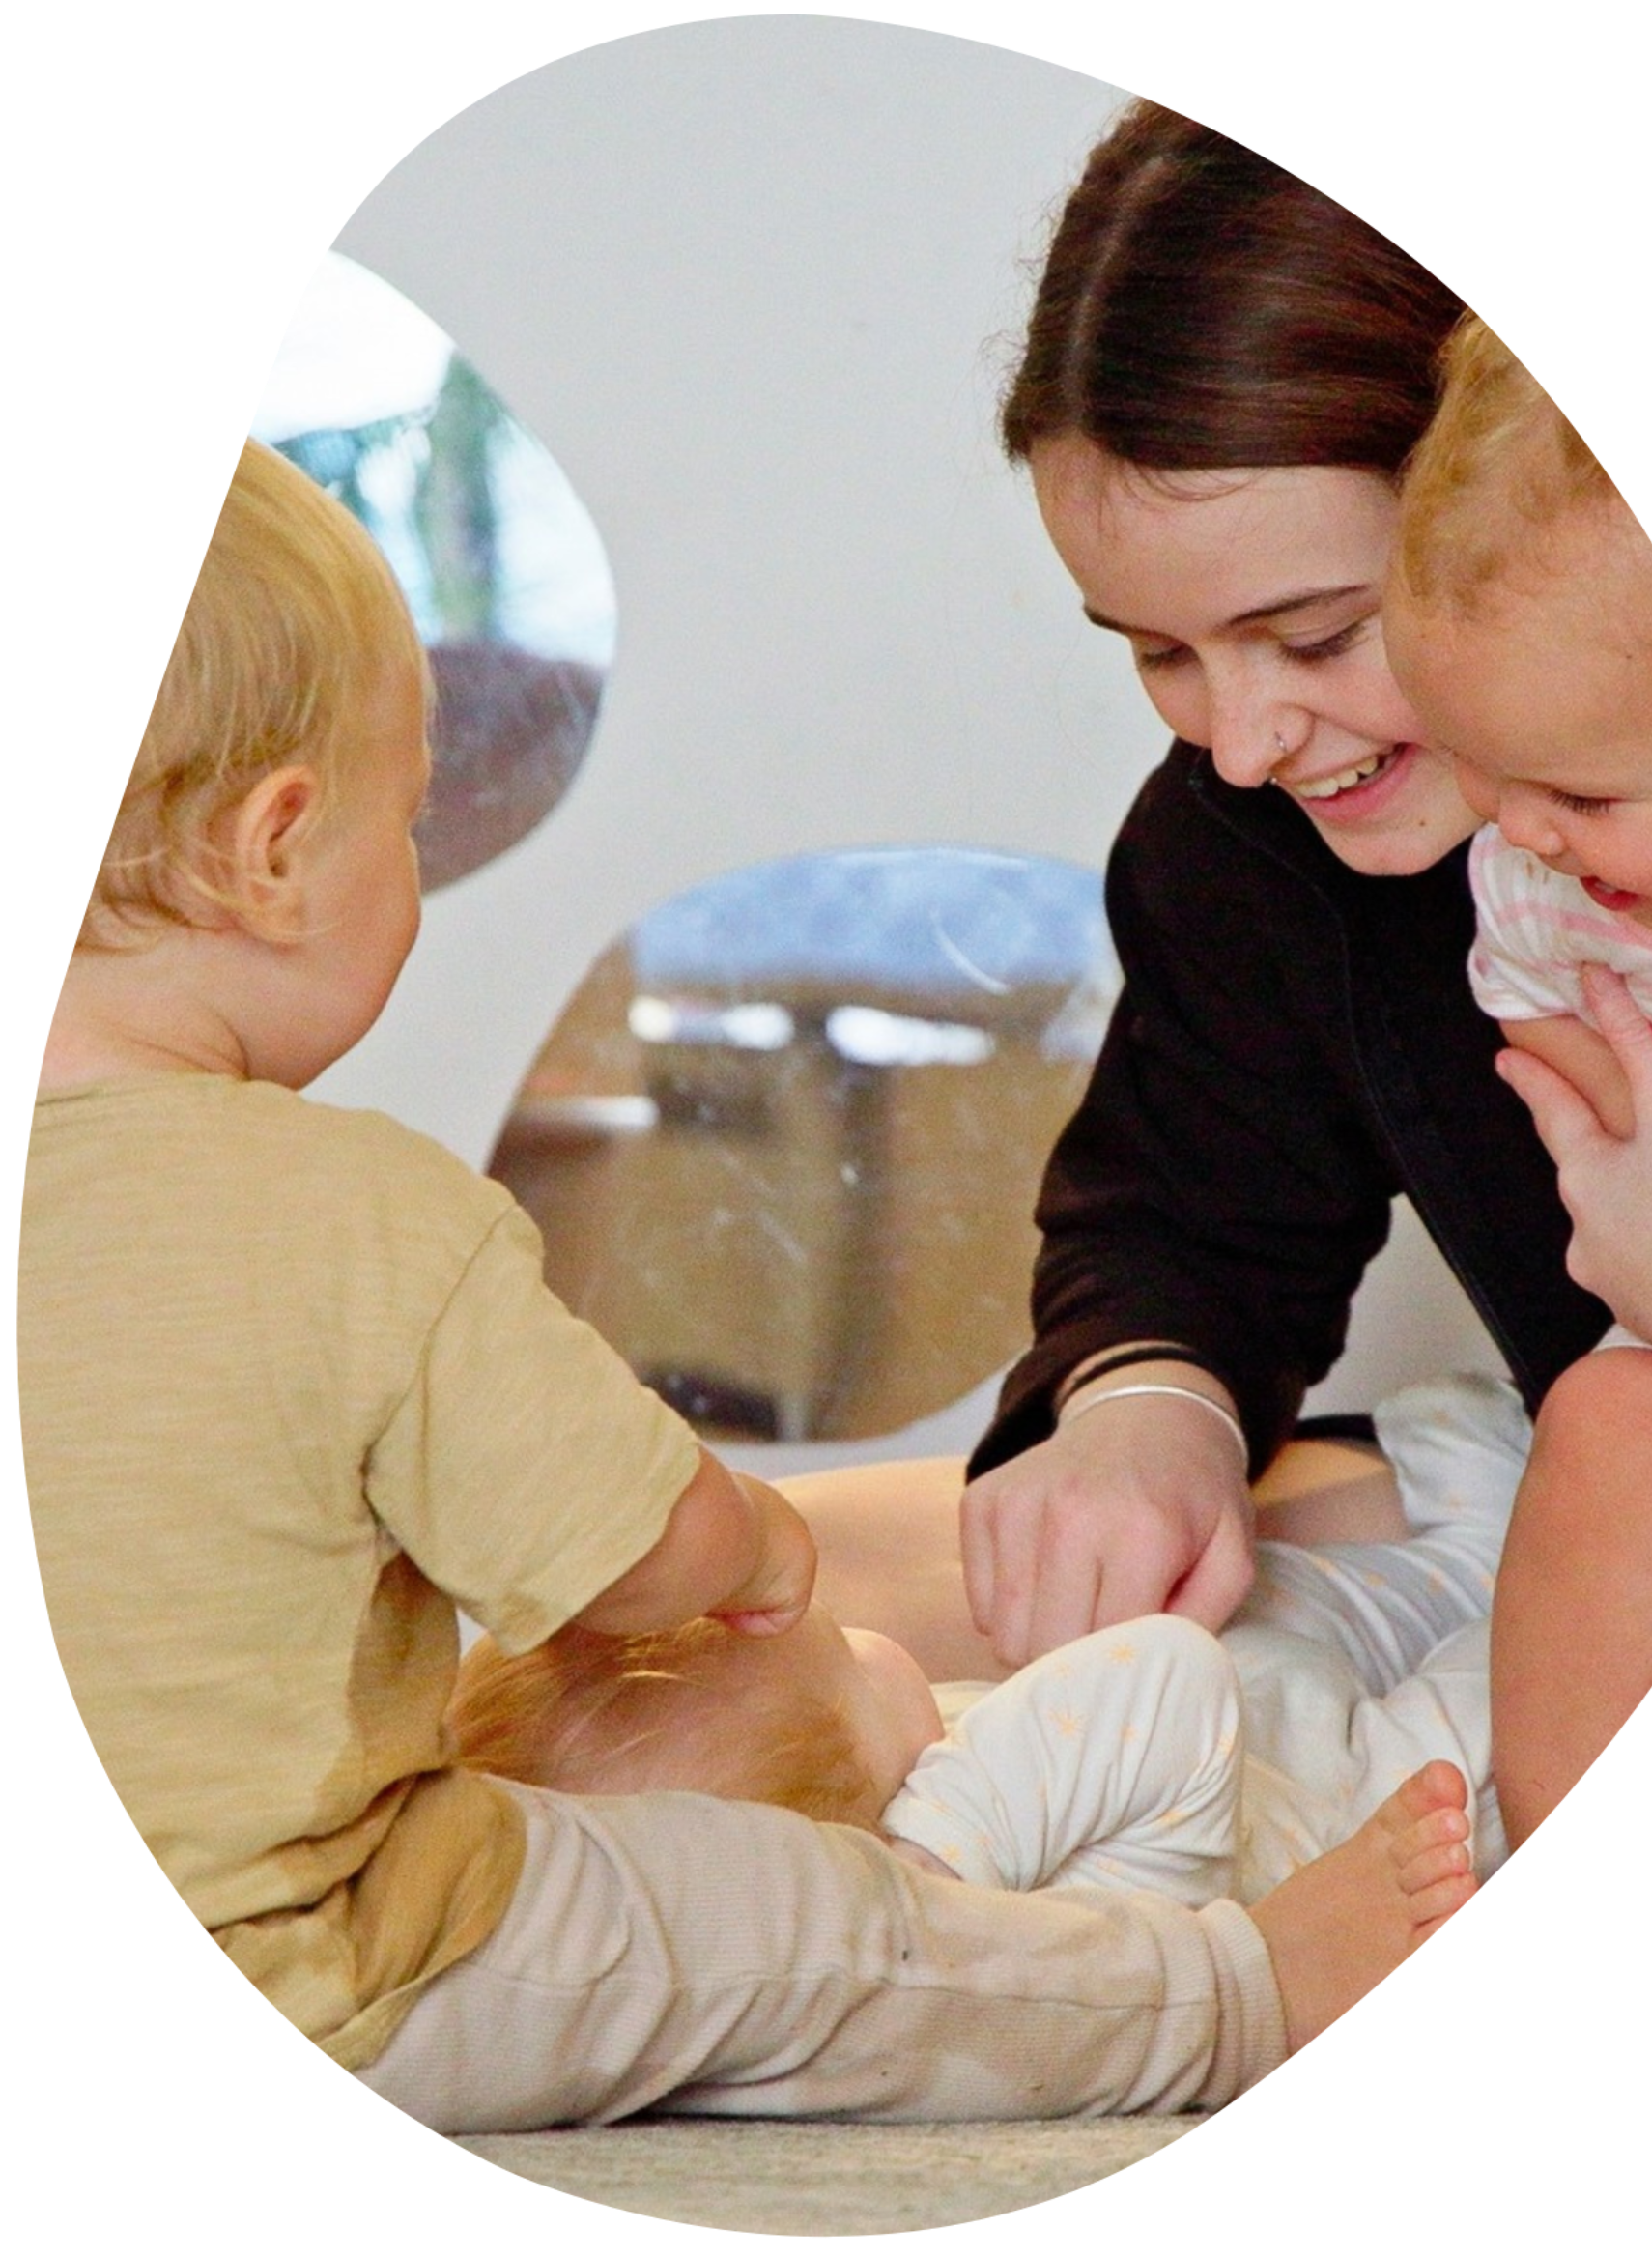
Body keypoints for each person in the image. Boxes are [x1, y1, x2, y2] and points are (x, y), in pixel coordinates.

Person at [21, 436, 1476, 2138]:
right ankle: (1244, 1990)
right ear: (275, 849)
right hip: (330, 1961)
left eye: (1306, 636)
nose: (1237, 733)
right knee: (805, 1935)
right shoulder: (345, 1212)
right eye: (409, 820)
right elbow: (623, 1546)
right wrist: (753, 1544)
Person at [950, 101, 1652, 1684]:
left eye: (1320, 634)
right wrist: (1149, 1406)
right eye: (1156, 650)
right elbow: (1181, 1217)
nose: (1239, 741)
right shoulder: (1251, 845)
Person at [1381, 315, 1652, 1841]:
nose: (1526, 834)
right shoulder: (1549, 874)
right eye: (1487, 776)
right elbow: (1548, 1039)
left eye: (1577, 791)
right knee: (1598, 1435)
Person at [456, 1373, 1526, 1898]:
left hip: (1272, 1714)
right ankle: (1542, 1539)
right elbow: (1168, 1674)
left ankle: (1502, 1498)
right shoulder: (969, 1867)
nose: (866, 1635)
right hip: (1349, 1795)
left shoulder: (904, 1782)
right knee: (1520, 1661)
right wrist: (949, 1850)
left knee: (1325, 1586)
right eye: (841, 1648)